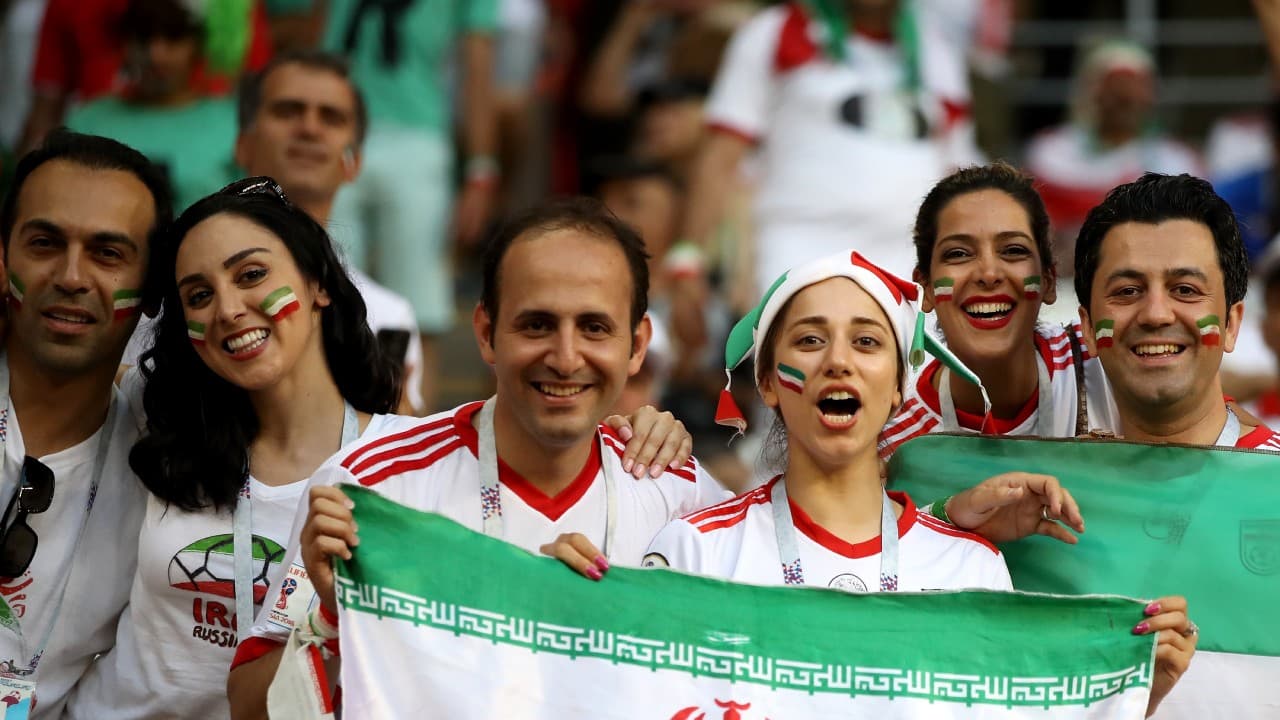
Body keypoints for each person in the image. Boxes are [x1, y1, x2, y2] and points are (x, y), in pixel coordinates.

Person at [645, 249, 1197, 718]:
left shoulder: (969, 568)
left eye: (866, 343)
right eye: (811, 341)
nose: (839, 361)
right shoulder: (695, 551)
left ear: (897, 388)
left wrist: (1126, 696)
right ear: (767, 382)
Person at [226, 198, 723, 718]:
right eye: (536, 325)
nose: (566, 357)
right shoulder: (369, 485)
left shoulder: (682, 494)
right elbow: (248, 706)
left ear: (637, 344)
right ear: (485, 332)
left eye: (595, 328)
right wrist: (335, 618)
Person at [61, 177, 404, 720]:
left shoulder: (404, 463)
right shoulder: (154, 418)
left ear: (319, 284)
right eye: (199, 295)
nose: (227, 309)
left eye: (251, 275)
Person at [1072, 173, 1279, 718]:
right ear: (1089, 327)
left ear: (1233, 322)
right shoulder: (1035, 509)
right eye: (1126, 290)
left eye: (1186, 290)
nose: (1158, 313)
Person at [0, 130, 169, 717]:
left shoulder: (169, 477)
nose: (71, 276)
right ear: (3, 261)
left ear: (151, 292)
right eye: (44, 243)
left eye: (108, 253)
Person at [322, 0, 500, 411]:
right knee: (327, 292)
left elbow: (478, 65)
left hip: (416, 133)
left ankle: (417, 441)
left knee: (420, 308)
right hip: (336, 124)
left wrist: (481, 169)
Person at [879, 162, 1119, 457]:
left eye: (1013, 250)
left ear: (1049, 280)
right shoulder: (895, 451)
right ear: (925, 288)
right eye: (958, 253)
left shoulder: (1108, 367)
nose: (989, 273)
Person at [232, 49, 426, 413]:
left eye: (331, 117)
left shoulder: (390, 315)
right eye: (287, 111)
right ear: (243, 143)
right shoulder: (188, 291)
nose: (309, 128)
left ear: (355, 162)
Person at [1024, 40, 1200, 281]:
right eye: (1115, 90)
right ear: (1092, 92)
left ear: (1150, 98)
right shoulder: (1052, 150)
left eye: (1133, 91)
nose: (1124, 99)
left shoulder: (1177, 159)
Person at [63, 0, 240, 212]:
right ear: (124, 44)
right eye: (143, 38)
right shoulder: (87, 121)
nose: (156, 55)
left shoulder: (233, 124)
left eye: (173, 37)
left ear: (198, 45)